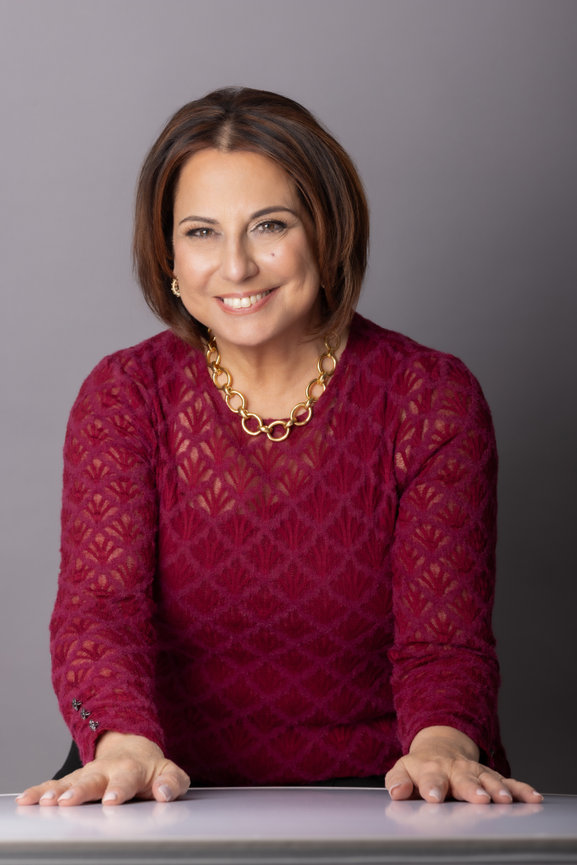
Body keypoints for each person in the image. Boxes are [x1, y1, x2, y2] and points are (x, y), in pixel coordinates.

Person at [17, 87, 541, 808]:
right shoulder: (124, 395)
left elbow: (442, 642)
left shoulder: (429, 397)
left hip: (384, 792)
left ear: (327, 232)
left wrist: (441, 748)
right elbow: (99, 613)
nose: (235, 267)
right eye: (200, 232)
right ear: (167, 252)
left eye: (268, 225)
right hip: (159, 784)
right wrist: (123, 744)